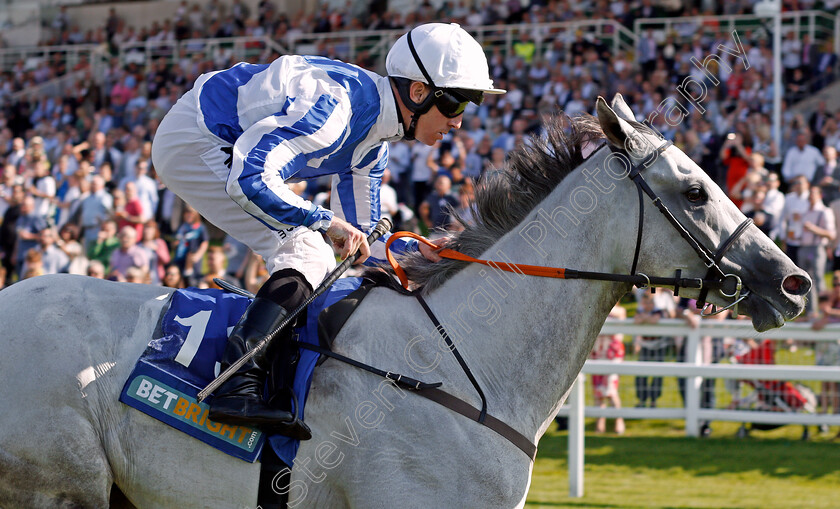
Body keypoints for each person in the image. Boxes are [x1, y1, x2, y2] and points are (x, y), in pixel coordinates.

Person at [151, 22, 505, 438]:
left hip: (225, 145)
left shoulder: (375, 145)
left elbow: (361, 241)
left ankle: (266, 373)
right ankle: (236, 379)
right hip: (197, 139)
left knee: (318, 251)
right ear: (418, 92)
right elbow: (250, 179)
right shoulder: (336, 110)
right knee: (308, 249)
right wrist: (325, 221)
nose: (459, 123)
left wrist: (417, 254)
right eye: (456, 105)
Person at [590, 303, 626, 434]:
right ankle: (600, 423)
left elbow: (620, 316)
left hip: (612, 352)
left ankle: (619, 420)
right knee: (598, 390)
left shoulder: (620, 310)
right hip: (598, 350)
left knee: (611, 389)